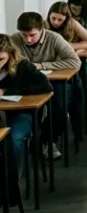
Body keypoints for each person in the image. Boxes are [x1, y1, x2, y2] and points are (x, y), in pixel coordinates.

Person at [0, 35, 52, 182]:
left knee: (14, 139)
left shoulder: (23, 66)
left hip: (20, 113)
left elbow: (46, 86)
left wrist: (7, 92)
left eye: (1, 59)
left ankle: (11, 183)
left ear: (10, 54)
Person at [12, 11, 80, 71]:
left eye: (32, 35)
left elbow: (76, 62)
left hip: (52, 79)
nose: (28, 40)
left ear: (41, 30)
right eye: (23, 35)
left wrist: (42, 66)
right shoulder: (13, 39)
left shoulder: (55, 38)